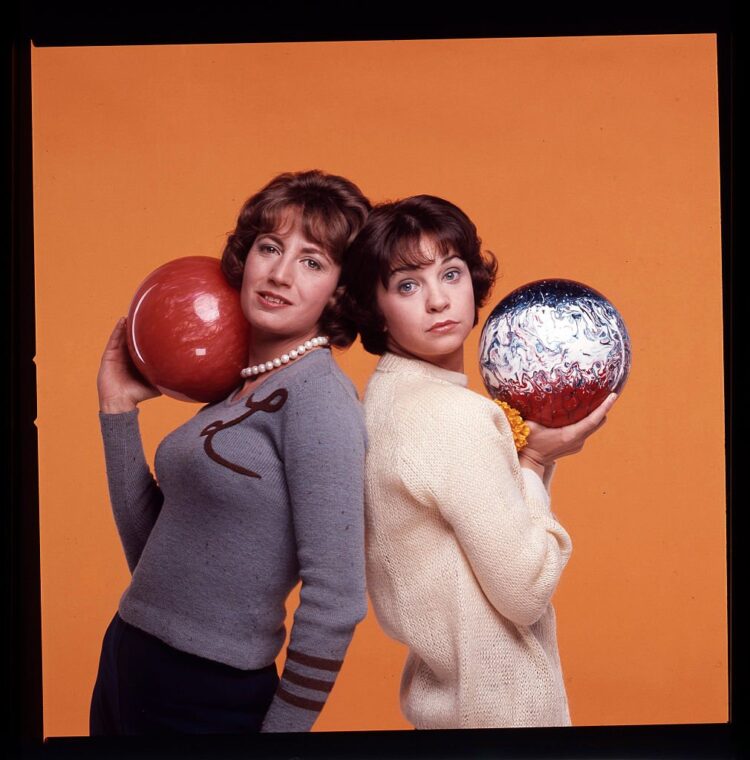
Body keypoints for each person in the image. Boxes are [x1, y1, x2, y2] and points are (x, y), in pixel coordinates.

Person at [90, 170, 371, 734]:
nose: (280, 273)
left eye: (312, 261)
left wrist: (280, 741)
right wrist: (118, 412)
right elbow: (154, 556)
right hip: (129, 656)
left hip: (208, 690)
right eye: (270, 247)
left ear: (340, 290)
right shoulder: (237, 389)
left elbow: (337, 599)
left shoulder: (321, 400)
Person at [339, 194, 618, 729]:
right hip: (501, 717)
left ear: (474, 281)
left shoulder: (383, 401)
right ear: (376, 309)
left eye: (451, 273)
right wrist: (534, 462)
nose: (438, 301)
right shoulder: (453, 416)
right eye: (407, 285)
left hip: (446, 709)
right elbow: (524, 589)